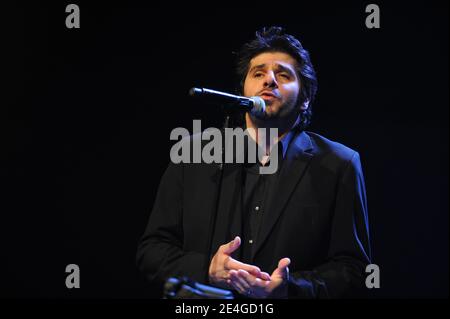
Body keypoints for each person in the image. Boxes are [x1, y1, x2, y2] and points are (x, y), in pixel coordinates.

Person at [136, 26, 371, 298]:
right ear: (243, 91)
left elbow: (353, 270)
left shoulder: (338, 163)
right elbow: (152, 250)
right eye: (257, 73)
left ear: (305, 98)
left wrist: (289, 290)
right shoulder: (192, 153)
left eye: (283, 74)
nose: (269, 80)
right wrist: (207, 269)